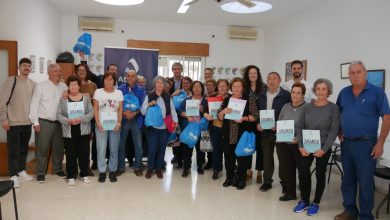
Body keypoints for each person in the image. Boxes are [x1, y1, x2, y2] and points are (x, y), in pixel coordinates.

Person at [335, 61, 390, 220]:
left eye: (358, 72)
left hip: (367, 145)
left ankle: (366, 215)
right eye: (352, 73)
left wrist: (380, 143)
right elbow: (337, 113)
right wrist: (339, 131)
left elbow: (387, 118)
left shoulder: (377, 93)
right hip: (346, 144)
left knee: (365, 183)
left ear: (365, 73)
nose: (355, 75)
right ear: (349, 76)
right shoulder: (344, 92)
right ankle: (350, 210)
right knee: (348, 180)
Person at [294, 78, 340, 216]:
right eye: (318, 88)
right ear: (315, 90)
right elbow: (300, 126)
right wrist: (301, 146)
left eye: (324, 89)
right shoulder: (307, 106)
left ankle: (316, 202)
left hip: (323, 147)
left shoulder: (333, 108)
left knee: (320, 174)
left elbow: (334, 130)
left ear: (329, 91)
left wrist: (324, 149)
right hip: (306, 146)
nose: (321, 91)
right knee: (303, 172)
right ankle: (304, 200)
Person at [29, 64, 68, 183]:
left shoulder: (64, 86)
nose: (58, 73)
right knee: (42, 148)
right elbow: (34, 104)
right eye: (55, 71)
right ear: (49, 73)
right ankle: (41, 172)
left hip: (60, 123)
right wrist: (35, 122)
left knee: (59, 148)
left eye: (60, 71)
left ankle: (57, 169)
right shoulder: (41, 86)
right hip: (44, 122)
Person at [0, 58, 36, 187]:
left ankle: (21, 170)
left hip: (27, 123)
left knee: (23, 149)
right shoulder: (11, 81)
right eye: (24, 66)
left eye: (29, 66)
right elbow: (2, 101)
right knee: (13, 150)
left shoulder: (32, 84)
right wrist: (4, 119)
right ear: (19, 67)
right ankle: (13, 175)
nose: (27, 68)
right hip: (13, 122)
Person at [218, 77, 258, 190]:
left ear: (243, 88)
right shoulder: (227, 100)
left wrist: (244, 118)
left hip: (242, 134)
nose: (236, 88)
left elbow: (255, 116)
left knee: (242, 158)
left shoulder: (248, 99)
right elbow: (219, 117)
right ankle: (229, 178)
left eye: (239, 86)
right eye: (234, 86)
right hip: (228, 134)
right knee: (229, 157)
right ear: (231, 88)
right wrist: (223, 111)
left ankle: (241, 179)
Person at [256, 72, 291, 192]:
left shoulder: (286, 95)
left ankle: (285, 183)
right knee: (267, 158)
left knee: (283, 159)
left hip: (281, 132)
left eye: (274, 78)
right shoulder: (261, 95)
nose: (271, 81)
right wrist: (257, 123)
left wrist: (280, 125)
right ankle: (267, 181)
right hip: (265, 132)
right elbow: (256, 112)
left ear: (279, 80)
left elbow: (290, 112)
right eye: (269, 78)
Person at [57, 75, 94, 186]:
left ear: (79, 86)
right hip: (69, 130)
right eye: (71, 84)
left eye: (75, 84)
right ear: (68, 86)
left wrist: (81, 118)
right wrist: (68, 121)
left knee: (84, 153)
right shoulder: (64, 99)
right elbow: (59, 114)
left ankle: (84, 174)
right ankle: (71, 175)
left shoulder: (86, 98)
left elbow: (91, 113)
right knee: (70, 153)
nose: (73, 86)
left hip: (84, 130)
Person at [141, 76, 178, 179]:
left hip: (165, 128)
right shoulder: (148, 96)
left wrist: (176, 122)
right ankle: (150, 168)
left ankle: (158, 169)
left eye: (162, 83)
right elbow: (143, 112)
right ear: (154, 84)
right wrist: (148, 105)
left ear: (164, 85)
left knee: (162, 149)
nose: (160, 84)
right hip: (152, 128)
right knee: (152, 149)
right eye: (158, 82)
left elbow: (173, 111)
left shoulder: (168, 97)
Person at [276, 83, 307, 201]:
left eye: (298, 93)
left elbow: (309, 126)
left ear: (303, 95)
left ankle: (304, 195)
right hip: (283, 144)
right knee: (287, 169)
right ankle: (290, 193)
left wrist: (299, 138)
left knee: (302, 170)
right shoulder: (285, 106)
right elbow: (280, 122)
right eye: (293, 92)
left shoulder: (307, 108)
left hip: (299, 145)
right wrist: (276, 127)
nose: (295, 95)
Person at [93, 72, 123, 183]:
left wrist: (119, 122)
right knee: (101, 149)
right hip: (101, 124)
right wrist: (97, 122)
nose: (108, 81)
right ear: (103, 80)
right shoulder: (98, 92)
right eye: (106, 79)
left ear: (114, 81)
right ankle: (102, 171)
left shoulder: (119, 93)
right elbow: (95, 108)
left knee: (114, 149)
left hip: (115, 124)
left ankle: (112, 171)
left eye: (111, 79)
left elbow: (120, 109)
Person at [117, 70, 146, 177]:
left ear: (136, 77)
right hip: (123, 119)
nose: (130, 78)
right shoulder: (120, 89)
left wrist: (133, 114)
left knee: (138, 145)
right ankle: (120, 167)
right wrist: (124, 113)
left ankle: (137, 167)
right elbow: (117, 104)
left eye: (133, 76)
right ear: (126, 77)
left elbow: (143, 105)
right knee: (121, 145)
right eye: (128, 76)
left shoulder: (142, 90)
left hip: (136, 119)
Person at [242, 65, 266, 183]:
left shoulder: (264, 88)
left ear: (258, 74)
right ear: (247, 75)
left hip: (261, 122)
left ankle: (259, 171)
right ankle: (248, 170)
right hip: (249, 121)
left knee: (260, 147)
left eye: (255, 73)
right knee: (248, 145)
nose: (252, 75)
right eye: (250, 73)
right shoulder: (244, 88)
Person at [179, 81, 207, 177]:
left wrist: (202, 109)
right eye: (194, 87)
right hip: (189, 128)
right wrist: (187, 116)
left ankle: (200, 167)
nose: (197, 89)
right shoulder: (187, 100)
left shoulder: (205, 101)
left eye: (199, 87)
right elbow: (180, 110)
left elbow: (209, 112)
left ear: (202, 89)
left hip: (201, 129)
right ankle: (186, 168)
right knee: (187, 149)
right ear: (192, 89)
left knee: (200, 150)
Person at [204, 79, 230, 179]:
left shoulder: (232, 99)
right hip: (215, 127)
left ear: (228, 87)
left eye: (224, 86)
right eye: (220, 86)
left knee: (228, 150)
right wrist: (206, 115)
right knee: (216, 150)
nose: (222, 88)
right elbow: (205, 111)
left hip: (227, 128)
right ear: (217, 88)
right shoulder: (212, 97)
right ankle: (216, 169)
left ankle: (229, 170)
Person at [75, 63, 98, 174]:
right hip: (75, 118)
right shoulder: (73, 84)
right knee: (77, 143)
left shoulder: (92, 85)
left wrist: (91, 97)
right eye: (79, 70)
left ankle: (88, 165)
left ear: (87, 71)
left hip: (90, 118)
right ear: (76, 72)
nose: (82, 72)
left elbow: (96, 101)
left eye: (84, 70)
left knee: (89, 143)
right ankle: (76, 166)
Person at [171, 76, 192, 168]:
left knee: (186, 139)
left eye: (187, 83)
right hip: (177, 119)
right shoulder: (178, 93)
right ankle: (178, 159)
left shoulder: (192, 94)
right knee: (177, 139)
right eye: (184, 83)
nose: (185, 84)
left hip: (189, 120)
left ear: (190, 84)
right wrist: (174, 94)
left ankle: (187, 159)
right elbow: (170, 99)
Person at [203, 78, 217, 170]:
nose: (208, 87)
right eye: (207, 85)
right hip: (205, 123)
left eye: (211, 85)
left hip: (215, 123)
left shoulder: (217, 97)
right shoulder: (204, 97)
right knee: (207, 143)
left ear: (215, 87)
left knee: (215, 144)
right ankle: (209, 162)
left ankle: (215, 162)